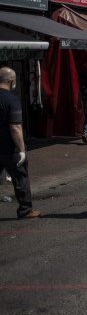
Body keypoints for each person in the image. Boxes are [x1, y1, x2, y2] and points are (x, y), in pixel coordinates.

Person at [0, 67, 40, 219]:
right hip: (10, 148)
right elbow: (15, 127)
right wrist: (22, 149)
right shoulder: (11, 100)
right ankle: (25, 210)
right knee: (20, 178)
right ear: (12, 81)